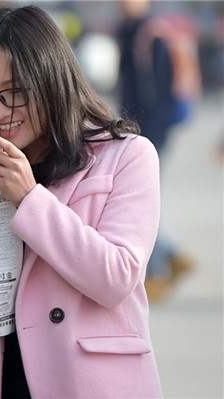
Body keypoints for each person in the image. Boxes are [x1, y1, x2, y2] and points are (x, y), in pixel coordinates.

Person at [0, 6, 162, 398]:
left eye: (14, 93)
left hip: (92, 384)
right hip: (6, 380)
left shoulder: (127, 155)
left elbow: (115, 277)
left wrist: (28, 198)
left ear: (51, 80)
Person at [117, 0, 196, 300]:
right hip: (138, 129)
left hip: (150, 132)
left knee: (144, 202)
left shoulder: (152, 33)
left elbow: (156, 90)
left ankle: (162, 264)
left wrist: (149, 135)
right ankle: (172, 255)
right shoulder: (129, 29)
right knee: (148, 199)